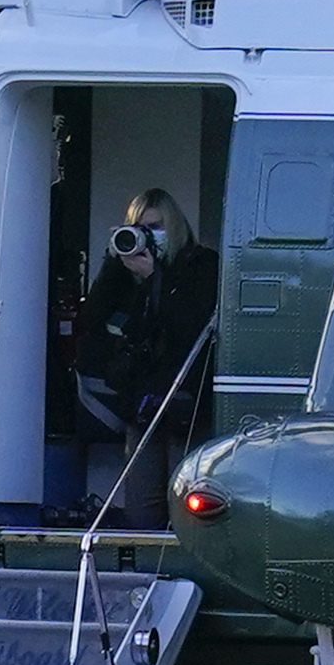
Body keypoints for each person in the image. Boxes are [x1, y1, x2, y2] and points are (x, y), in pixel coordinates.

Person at [65, 186, 220, 491]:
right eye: (139, 229)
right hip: (141, 398)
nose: (147, 236)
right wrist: (113, 262)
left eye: (155, 227)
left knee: (183, 492)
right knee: (141, 503)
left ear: (173, 226)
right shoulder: (127, 270)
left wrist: (154, 278)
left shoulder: (201, 264)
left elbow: (187, 326)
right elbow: (92, 318)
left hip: (185, 398)